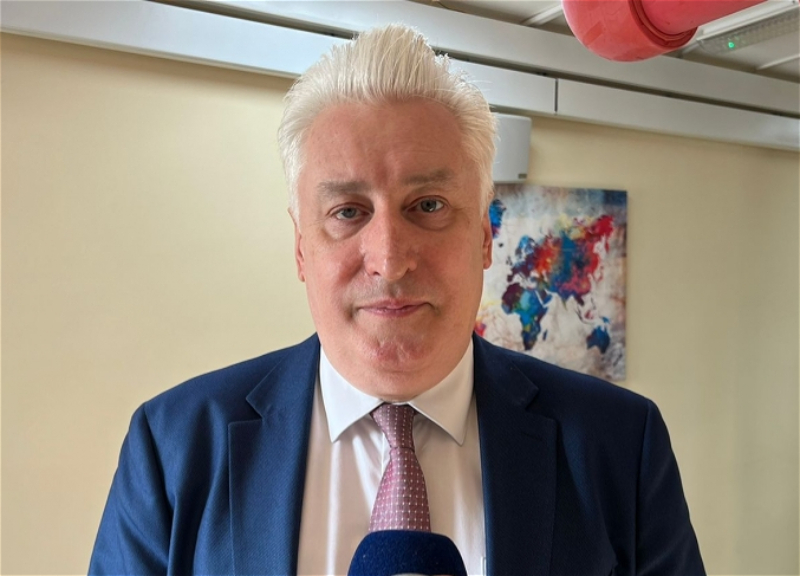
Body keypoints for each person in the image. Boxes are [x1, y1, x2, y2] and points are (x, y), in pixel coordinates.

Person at [89, 24, 705, 576]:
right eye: (347, 212)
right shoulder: (173, 447)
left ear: (484, 238)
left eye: (428, 206)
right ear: (301, 249)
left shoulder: (620, 444)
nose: (389, 258)